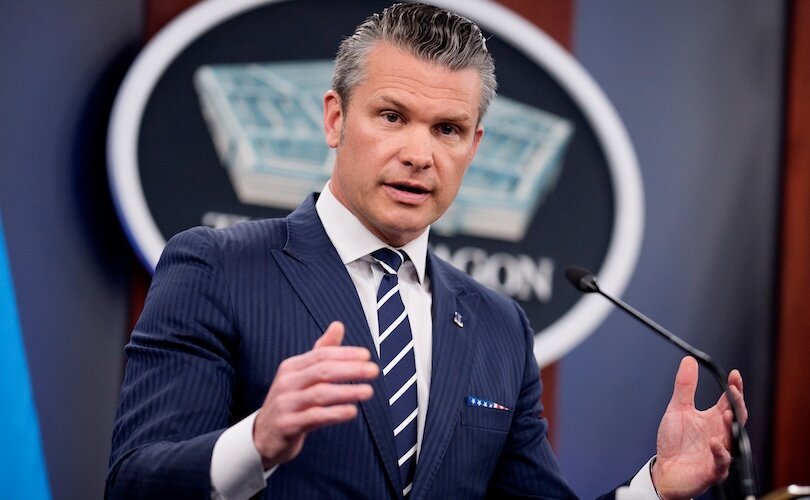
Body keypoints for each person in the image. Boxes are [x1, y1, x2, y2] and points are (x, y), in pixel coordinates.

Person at [106, 3, 747, 499]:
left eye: (447, 129)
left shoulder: (499, 326)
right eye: (392, 116)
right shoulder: (217, 268)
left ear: (474, 145)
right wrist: (256, 440)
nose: (419, 154)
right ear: (334, 119)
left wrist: (656, 487)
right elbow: (134, 482)